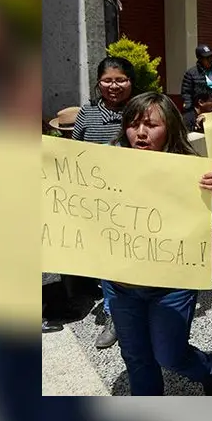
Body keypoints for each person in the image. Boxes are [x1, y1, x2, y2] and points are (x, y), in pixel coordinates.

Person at [107, 92, 212, 395]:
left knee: (169, 355)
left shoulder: (189, 167)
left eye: (150, 125)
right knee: (136, 357)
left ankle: (208, 368)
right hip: (120, 284)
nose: (140, 133)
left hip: (172, 284)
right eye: (133, 124)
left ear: (170, 127)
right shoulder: (106, 163)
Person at [71, 56, 137, 349]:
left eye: (120, 80)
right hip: (99, 203)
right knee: (108, 260)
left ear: (131, 82)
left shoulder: (141, 111)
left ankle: (142, 308)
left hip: (137, 200)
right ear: (98, 83)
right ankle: (115, 316)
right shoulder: (87, 114)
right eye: (107, 80)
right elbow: (72, 152)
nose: (114, 86)